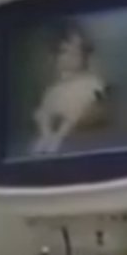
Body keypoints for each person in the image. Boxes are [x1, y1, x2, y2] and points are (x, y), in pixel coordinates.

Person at [32, 22, 110, 157]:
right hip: (60, 105)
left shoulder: (90, 80)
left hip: (79, 110)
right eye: (65, 52)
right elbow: (48, 102)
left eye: (77, 51)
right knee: (41, 113)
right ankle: (46, 136)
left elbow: (99, 94)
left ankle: (58, 138)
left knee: (76, 110)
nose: (72, 56)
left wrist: (97, 100)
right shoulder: (55, 86)